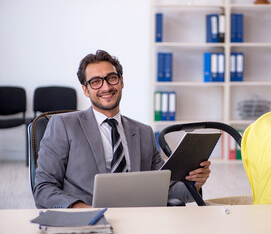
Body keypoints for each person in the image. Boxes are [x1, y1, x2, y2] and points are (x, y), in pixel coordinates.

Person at [34, 50, 211, 208]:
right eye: (95, 82)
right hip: (88, 222)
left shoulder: (144, 132)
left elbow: (166, 188)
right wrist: (80, 210)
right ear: (86, 90)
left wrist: (193, 183)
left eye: (111, 78)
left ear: (121, 82)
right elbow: (43, 188)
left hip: (137, 219)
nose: (106, 87)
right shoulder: (63, 125)